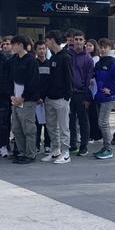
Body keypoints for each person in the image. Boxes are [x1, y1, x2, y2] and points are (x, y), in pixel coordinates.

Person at [8, 35, 41, 165]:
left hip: (27, 100)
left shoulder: (31, 61)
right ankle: (21, 152)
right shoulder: (13, 60)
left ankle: (30, 153)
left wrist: (23, 97)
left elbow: (33, 81)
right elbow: (9, 79)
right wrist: (11, 95)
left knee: (28, 128)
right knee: (16, 127)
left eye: (14, 44)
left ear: (20, 45)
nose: (12, 47)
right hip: (14, 98)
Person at [92, 37, 115, 160]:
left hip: (108, 97)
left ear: (109, 48)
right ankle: (106, 147)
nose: (102, 50)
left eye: (105, 47)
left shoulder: (112, 62)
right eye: (101, 47)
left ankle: (108, 148)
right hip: (102, 96)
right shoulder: (100, 62)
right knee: (102, 122)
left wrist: (110, 89)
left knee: (103, 122)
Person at [42, 31, 73, 164]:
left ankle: (66, 153)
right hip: (50, 98)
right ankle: (56, 150)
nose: (46, 44)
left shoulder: (65, 57)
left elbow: (69, 77)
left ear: (52, 40)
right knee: (51, 126)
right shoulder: (52, 58)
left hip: (61, 98)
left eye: (47, 41)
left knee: (63, 127)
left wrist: (67, 96)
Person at [67, 30, 93, 156]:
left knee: (83, 121)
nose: (78, 41)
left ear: (84, 42)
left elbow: (88, 79)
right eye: (76, 39)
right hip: (69, 93)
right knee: (70, 121)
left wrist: (87, 97)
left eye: (80, 39)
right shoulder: (68, 55)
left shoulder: (88, 58)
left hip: (81, 94)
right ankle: (72, 145)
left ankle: (84, 146)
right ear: (72, 41)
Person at [35, 42, 51, 153]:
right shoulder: (33, 64)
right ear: (36, 50)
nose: (42, 51)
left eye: (44, 48)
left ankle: (47, 144)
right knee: (37, 123)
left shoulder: (50, 64)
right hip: (36, 99)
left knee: (48, 123)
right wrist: (37, 97)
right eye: (40, 48)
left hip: (48, 98)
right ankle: (36, 144)